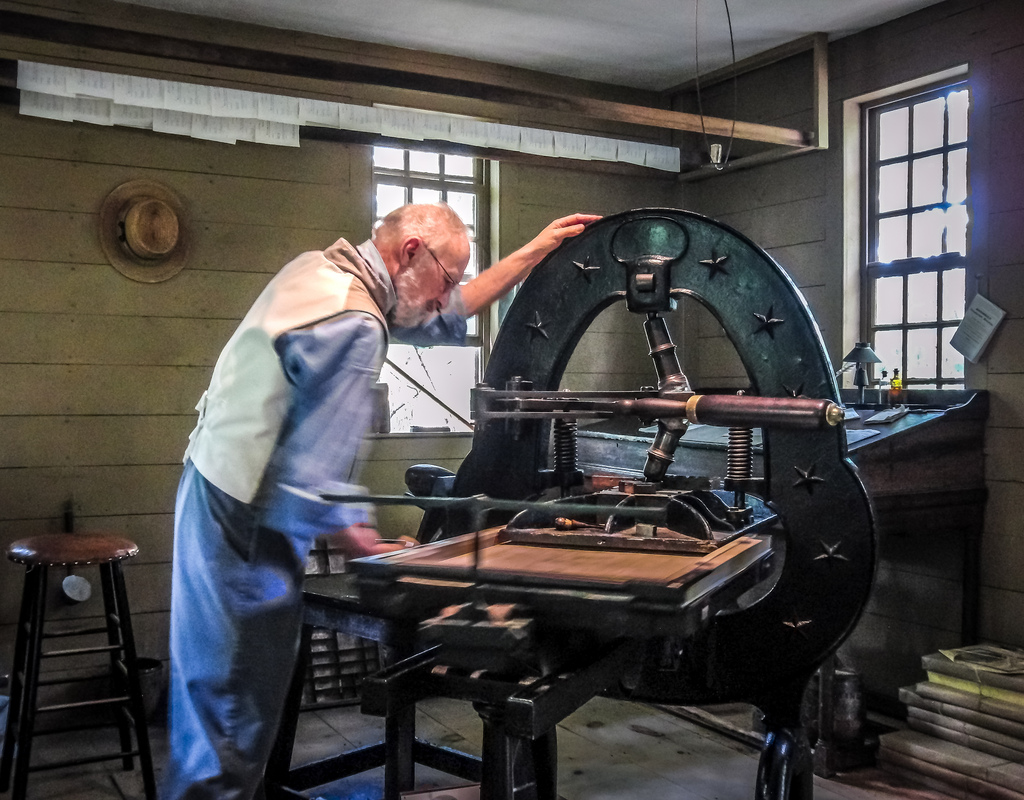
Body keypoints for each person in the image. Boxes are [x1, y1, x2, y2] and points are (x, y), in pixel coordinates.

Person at [161, 202, 599, 800]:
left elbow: (449, 313)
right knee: (232, 716)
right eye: (446, 277)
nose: (446, 296)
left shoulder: (320, 272)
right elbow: (316, 470)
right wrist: (377, 550)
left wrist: (530, 254)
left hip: (213, 487)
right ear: (411, 253)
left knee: (212, 705)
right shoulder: (355, 322)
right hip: (246, 524)